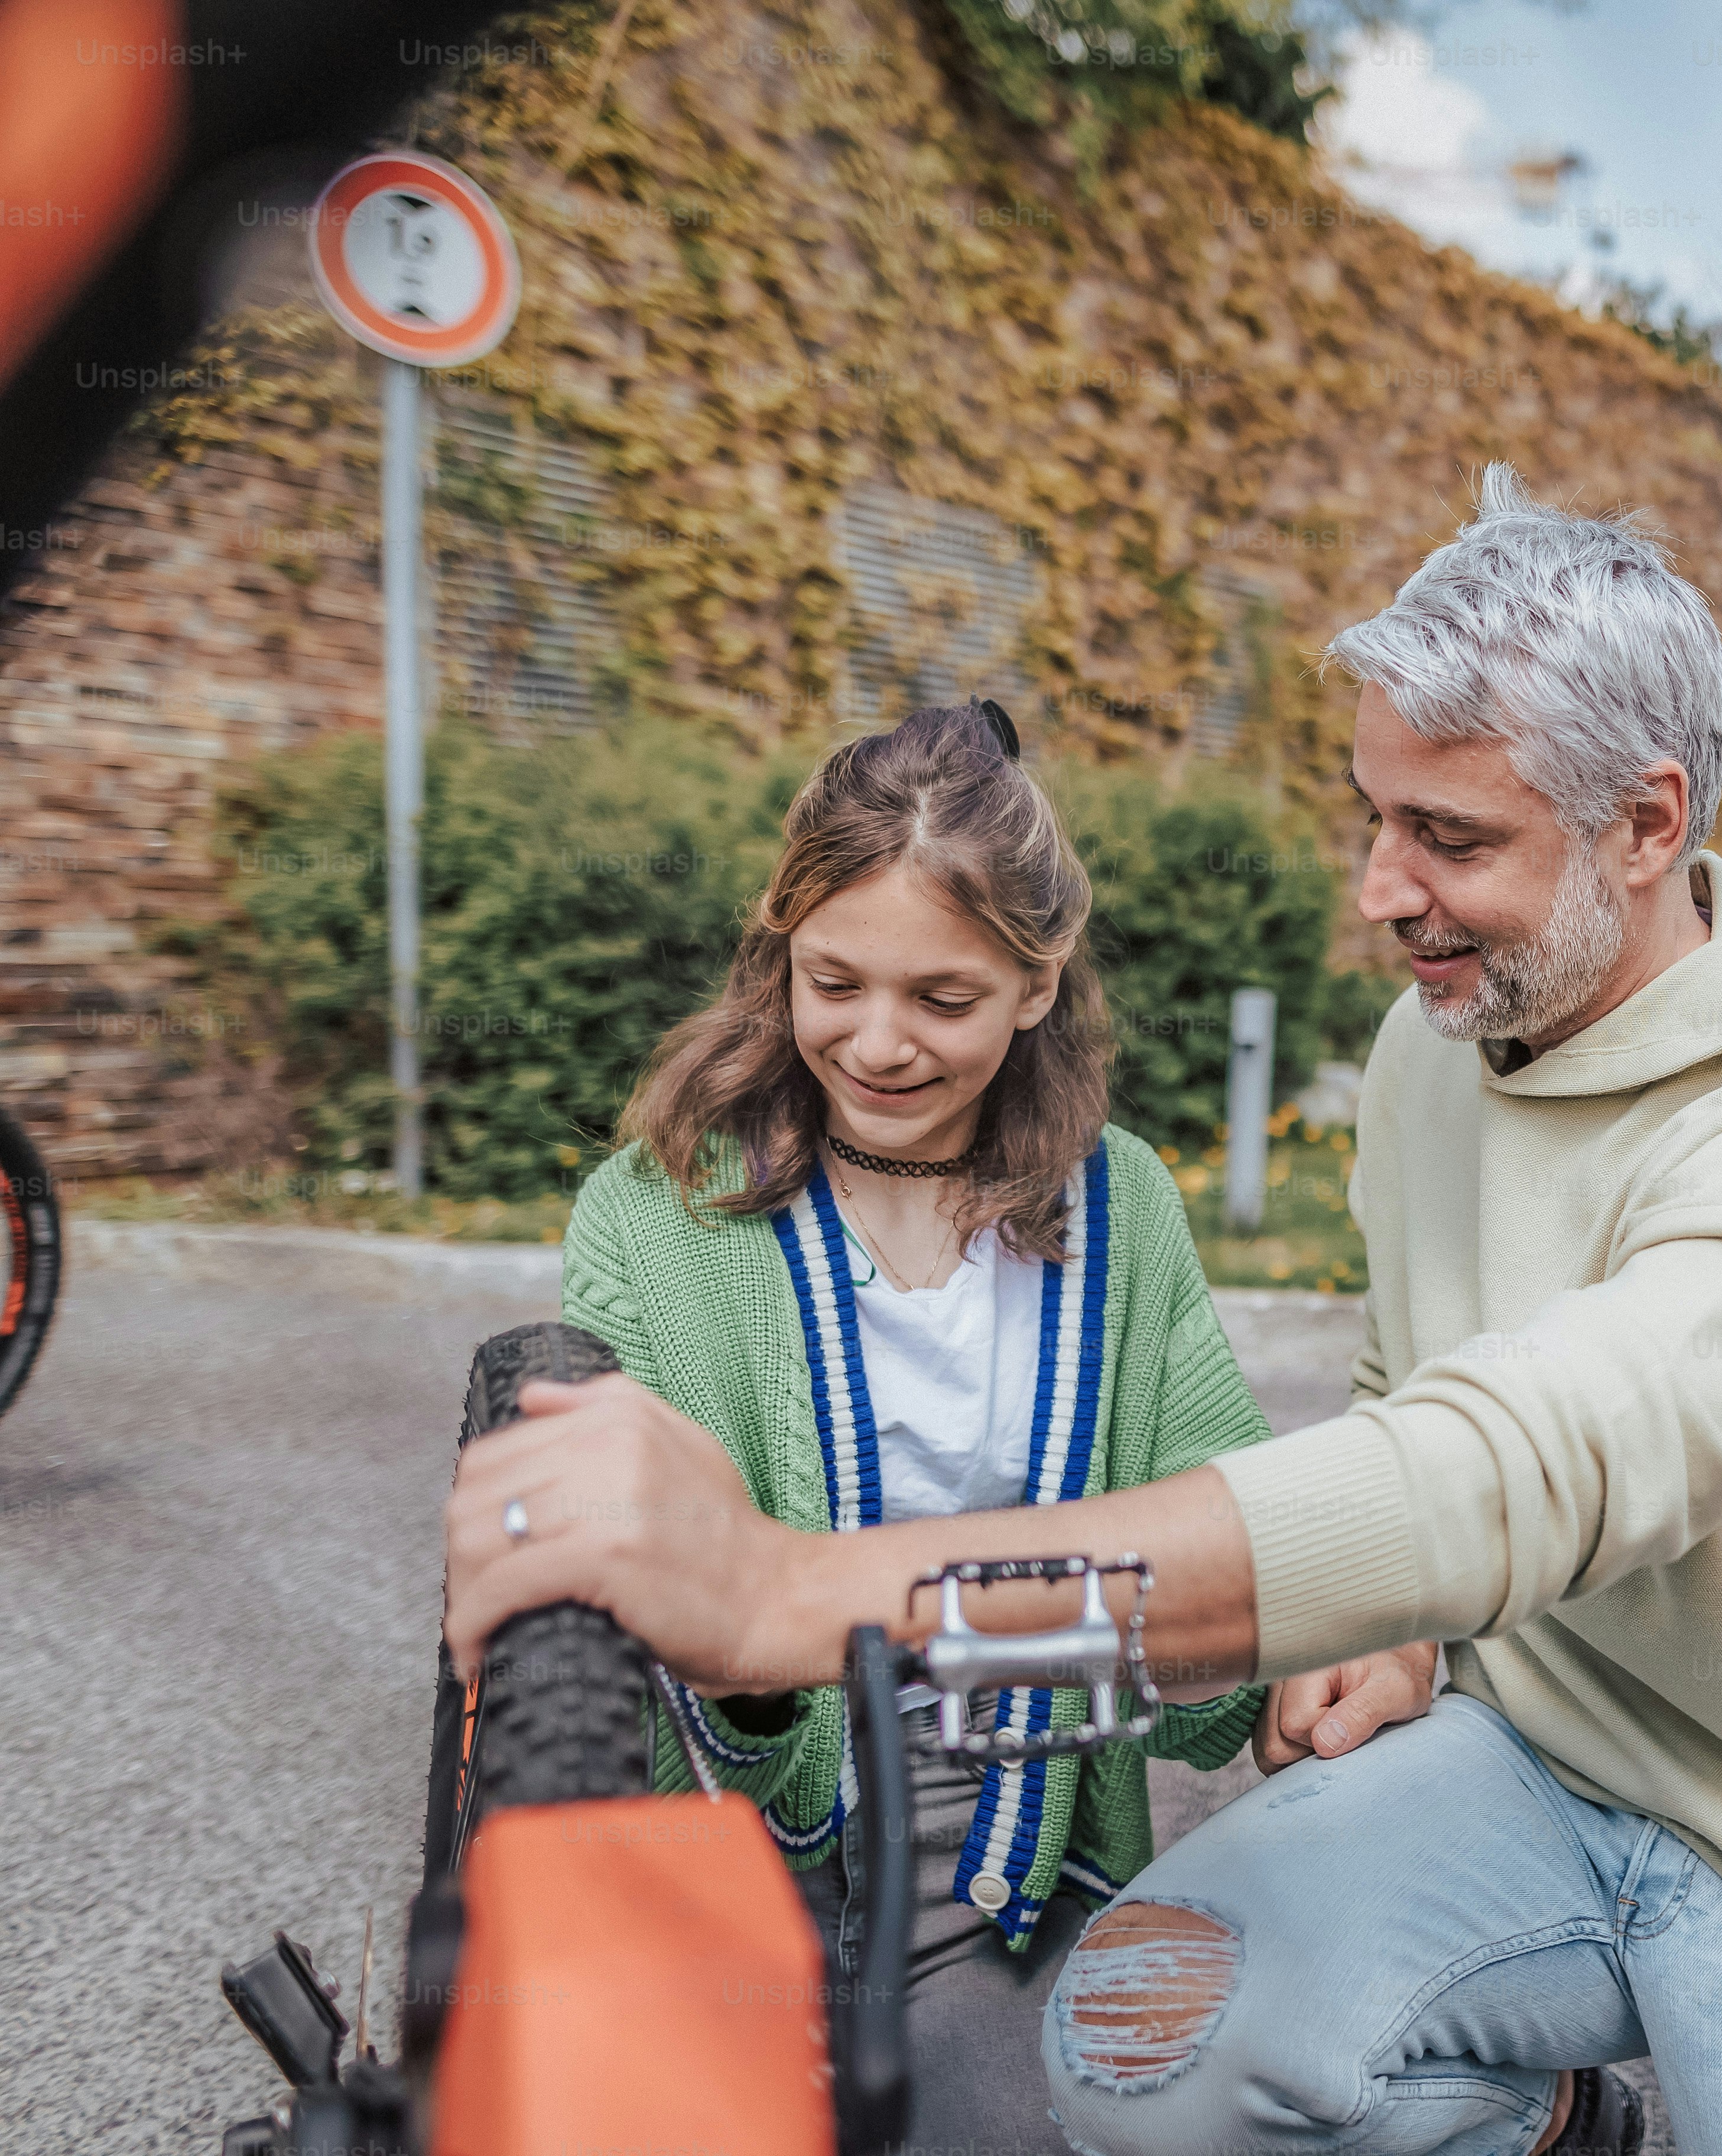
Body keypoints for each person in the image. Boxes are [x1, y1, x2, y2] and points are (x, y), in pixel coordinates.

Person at [447, 472, 1722, 2156]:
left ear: (1647, 825)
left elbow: (1524, 1465)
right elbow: (1418, 1389)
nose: (1378, 891)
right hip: (1530, 1773)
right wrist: (1398, 1627)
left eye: (1449, 838)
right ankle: (1556, 2128)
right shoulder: (1444, 1042)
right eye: (1377, 818)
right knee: (1132, 2053)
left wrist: (796, 1592)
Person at [538, 699, 1435, 2155]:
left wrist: (1325, 1626)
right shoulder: (658, 1212)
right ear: (781, 955)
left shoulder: (1120, 1206)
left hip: (997, 1855)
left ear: (1037, 982)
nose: (877, 1045)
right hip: (718, 1838)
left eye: (943, 1000)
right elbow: (620, 1644)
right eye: (833, 981)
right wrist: (758, 1685)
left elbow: (1217, 1570)